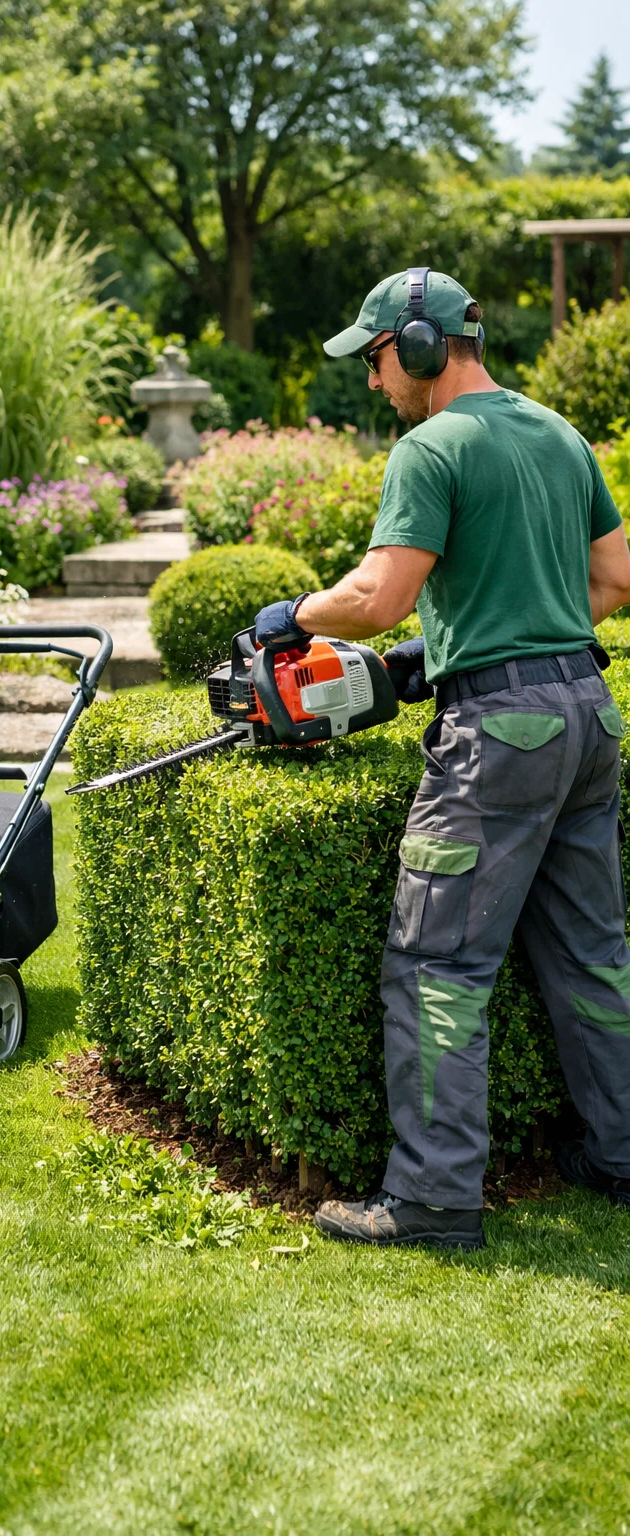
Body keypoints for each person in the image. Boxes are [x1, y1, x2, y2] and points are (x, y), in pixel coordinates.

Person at [254, 267, 630, 1250]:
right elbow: (615, 579)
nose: (373, 382)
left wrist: (292, 613)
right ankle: (617, 1156)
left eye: (375, 359)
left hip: (499, 739)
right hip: (587, 716)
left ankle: (430, 1198)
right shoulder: (556, 432)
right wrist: (485, 637)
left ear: (418, 347)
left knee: (436, 966)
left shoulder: (431, 447)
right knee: (592, 955)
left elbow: (376, 600)